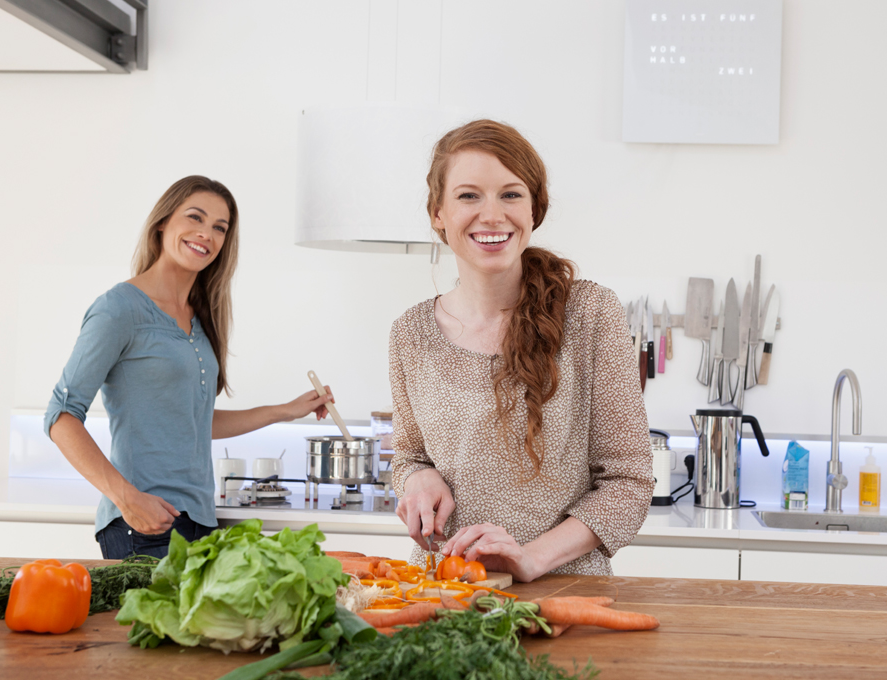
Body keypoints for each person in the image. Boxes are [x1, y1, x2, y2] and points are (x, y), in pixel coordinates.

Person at [390, 120, 653, 581]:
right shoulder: (409, 333)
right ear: (438, 213)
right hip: (442, 591)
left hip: (564, 594)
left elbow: (629, 483)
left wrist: (531, 558)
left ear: (535, 210)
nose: (492, 215)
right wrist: (417, 478)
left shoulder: (589, 313)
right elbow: (409, 456)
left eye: (510, 195)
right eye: (469, 196)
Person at [45, 176, 334, 559]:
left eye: (220, 227)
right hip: (144, 525)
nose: (206, 234)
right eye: (195, 218)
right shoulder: (119, 309)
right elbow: (61, 416)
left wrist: (284, 411)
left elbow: (190, 421)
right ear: (163, 221)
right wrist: (127, 499)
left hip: (200, 522)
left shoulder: (201, 317)